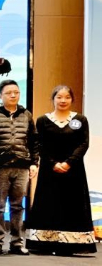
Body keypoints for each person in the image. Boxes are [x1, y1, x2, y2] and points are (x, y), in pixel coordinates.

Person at [25, 85, 96, 255]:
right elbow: (39, 144)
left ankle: (70, 245)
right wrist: (53, 163)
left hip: (74, 171)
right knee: (49, 204)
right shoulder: (43, 120)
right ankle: (45, 244)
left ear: (72, 99)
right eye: (59, 97)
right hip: (49, 171)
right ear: (53, 99)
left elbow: (84, 143)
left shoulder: (80, 119)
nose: (63, 100)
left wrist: (69, 163)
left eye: (67, 97)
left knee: (72, 204)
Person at [0, 79, 38, 255]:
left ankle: (17, 242)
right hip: (1, 168)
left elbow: (33, 141)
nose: (13, 95)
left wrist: (34, 163)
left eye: (16, 92)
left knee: (17, 206)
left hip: (22, 167)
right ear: (0, 96)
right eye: (9, 93)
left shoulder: (26, 114)